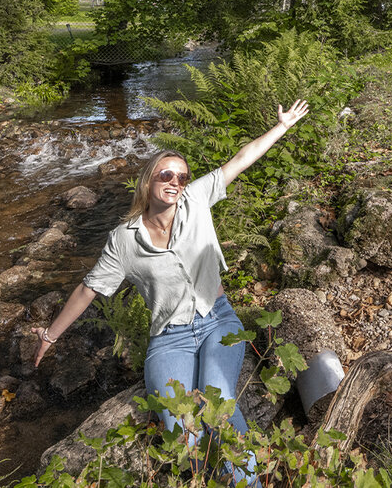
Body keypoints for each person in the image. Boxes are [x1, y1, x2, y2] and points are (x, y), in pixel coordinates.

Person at [33, 99, 310, 486]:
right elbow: (89, 289)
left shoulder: (196, 200)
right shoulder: (123, 240)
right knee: (182, 429)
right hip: (170, 338)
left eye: (182, 177)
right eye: (167, 174)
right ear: (148, 180)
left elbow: (240, 159)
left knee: (217, 402)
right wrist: (50, 336)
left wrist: (281, 127)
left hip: (218, 321)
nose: (175, 183)